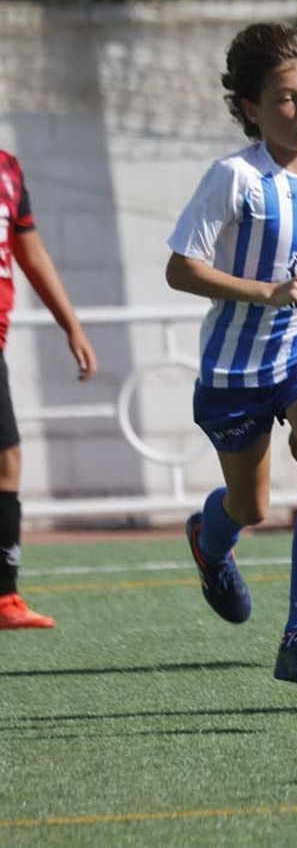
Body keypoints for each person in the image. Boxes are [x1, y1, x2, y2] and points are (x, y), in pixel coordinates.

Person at [166, 22, 297, 687]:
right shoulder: (234, 178)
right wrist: (268, 292)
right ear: (251, 108)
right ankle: (209, 541)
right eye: (285, 98)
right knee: (249, 508)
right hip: (236, 366)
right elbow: (181, 269)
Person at [0, 149, 99, 630]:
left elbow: (31, 251)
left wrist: (71, 325)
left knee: (7, 458)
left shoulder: (8, 168)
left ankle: (4, 597)